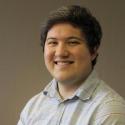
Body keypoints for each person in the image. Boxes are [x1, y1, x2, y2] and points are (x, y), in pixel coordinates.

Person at [17, 5, 125, 125]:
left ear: (93, 51)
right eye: (53, 42)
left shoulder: (109, 111)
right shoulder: (33, 107)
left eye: (72, 42)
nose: (60, 52)